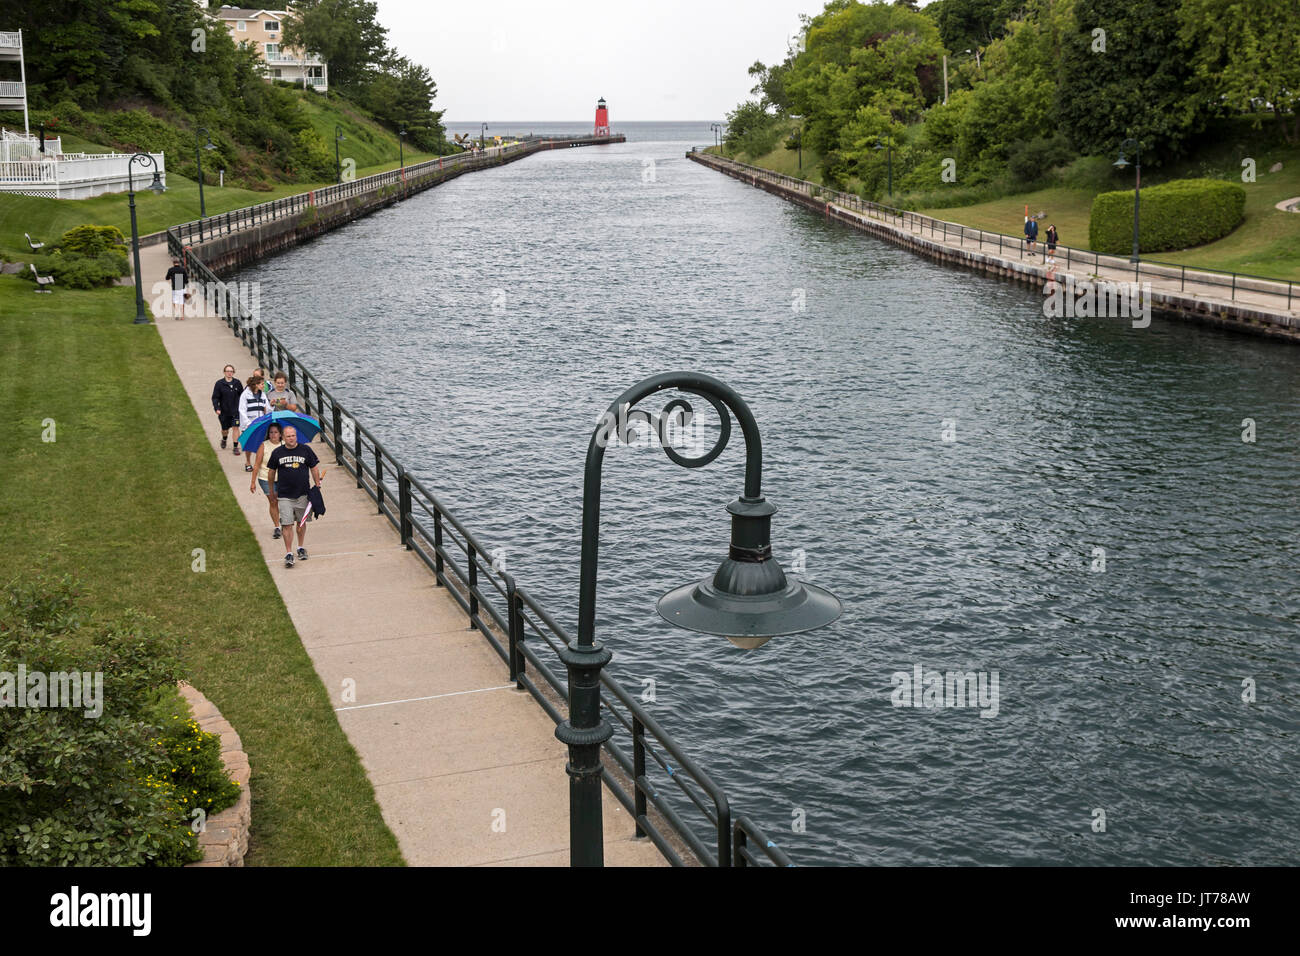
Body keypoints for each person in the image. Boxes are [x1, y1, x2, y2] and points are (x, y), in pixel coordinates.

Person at [267, 425, 324, 568]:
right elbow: (271, 472)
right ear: (283, 437)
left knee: (301, 523)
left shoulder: (306, 450)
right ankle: (288, 553)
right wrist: (271, 491)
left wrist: (317, 484)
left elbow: (314, 468)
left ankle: (300, 547)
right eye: (288, 436)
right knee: (286, 524)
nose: (291, 438)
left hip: (303, 494)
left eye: (293, 436)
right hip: (285, 495)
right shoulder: (277, 453)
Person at [249, 422, 285, 540]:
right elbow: (257, 464)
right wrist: (253, 482)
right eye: (271, 432)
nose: (273, 435)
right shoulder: (264, 446)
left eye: (275, 432)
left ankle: (282, 518)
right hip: (265, 478)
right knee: (273, 501)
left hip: (283, 478)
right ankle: (277, 527)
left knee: (282, 501)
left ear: (280, 434)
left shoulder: (285, 445)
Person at [238, 373, 271, 472]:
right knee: (249, 444)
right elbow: (242, 410)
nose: (263, 386)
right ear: (256, 384)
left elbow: (268, 409)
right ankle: (248, 462)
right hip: (249, 424)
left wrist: (271, 405)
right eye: (262, 384)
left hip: (260, 423)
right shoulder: (245, 394)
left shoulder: (262, 394)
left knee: (261, 444)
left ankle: (259, 463)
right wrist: (248, 423)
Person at [211, 364, 243, 453]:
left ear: (233, 372)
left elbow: (242, 396)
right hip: (224, 411)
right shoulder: (219, 384)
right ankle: (224, 439)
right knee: (225, 430)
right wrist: (217, 408)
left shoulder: (237, 383)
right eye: (228, 371)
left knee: (235, 427)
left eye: (231, 371)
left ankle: (235, 447)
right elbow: (215, 397)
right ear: (224, 372)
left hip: (235, 411)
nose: (229, 373)